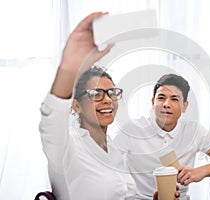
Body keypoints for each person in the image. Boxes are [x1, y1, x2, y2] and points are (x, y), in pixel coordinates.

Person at [39, 12, 179, 200]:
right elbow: (52, 115)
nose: (107, 100)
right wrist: (69, 67)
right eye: (96, 94)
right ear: (76, 105)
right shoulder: (66, 145)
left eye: (112, 93)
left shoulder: (113, 150)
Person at [113, 73, 210, 199]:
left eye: (174, 99)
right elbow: (105, 163)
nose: (166, 104)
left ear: (184, 106)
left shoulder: (193, 131)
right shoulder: (133, 129)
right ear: (153, 102)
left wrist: (200, 171)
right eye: (161, 98)